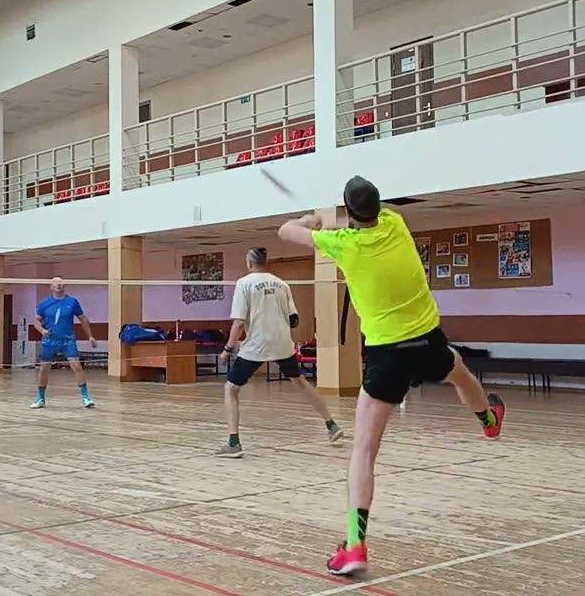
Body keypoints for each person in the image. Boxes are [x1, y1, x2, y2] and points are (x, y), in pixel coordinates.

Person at [277, 176, 505, 577]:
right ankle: (488, 420)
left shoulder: (343, 246)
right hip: (429, 341)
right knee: (459, 371)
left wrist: (312, 220)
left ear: (349, 213)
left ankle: (355, 546)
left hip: (388, 355)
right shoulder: (395, 224)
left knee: (364, 452)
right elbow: (360, 223)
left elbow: (285, 231)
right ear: (377, 207)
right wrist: (337, 224)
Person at [216, 247, 343, 458]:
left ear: (249, 262)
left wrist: (227, 349)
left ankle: (233, 443)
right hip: (283, 344)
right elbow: (294, 320)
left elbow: (238, 322)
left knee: (231, 389)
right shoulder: (282, 284)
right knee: (300, 382)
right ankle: (331, 425)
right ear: (265, 261)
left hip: (256, 346)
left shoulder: (244, 284)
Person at [31, 277, 97, 409]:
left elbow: (83, 319)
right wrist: (42, 330)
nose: (59, 285)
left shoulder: (72, 301)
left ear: (64, 285)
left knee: (77, 365)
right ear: (51, 287)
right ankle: (40, 398)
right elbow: (36, 321)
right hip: (50, 341)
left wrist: (90, 336)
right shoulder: (44, 303)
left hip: (68, 340)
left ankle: (86, 397)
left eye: (61, 283)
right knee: (44, 368)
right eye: (56, 283)